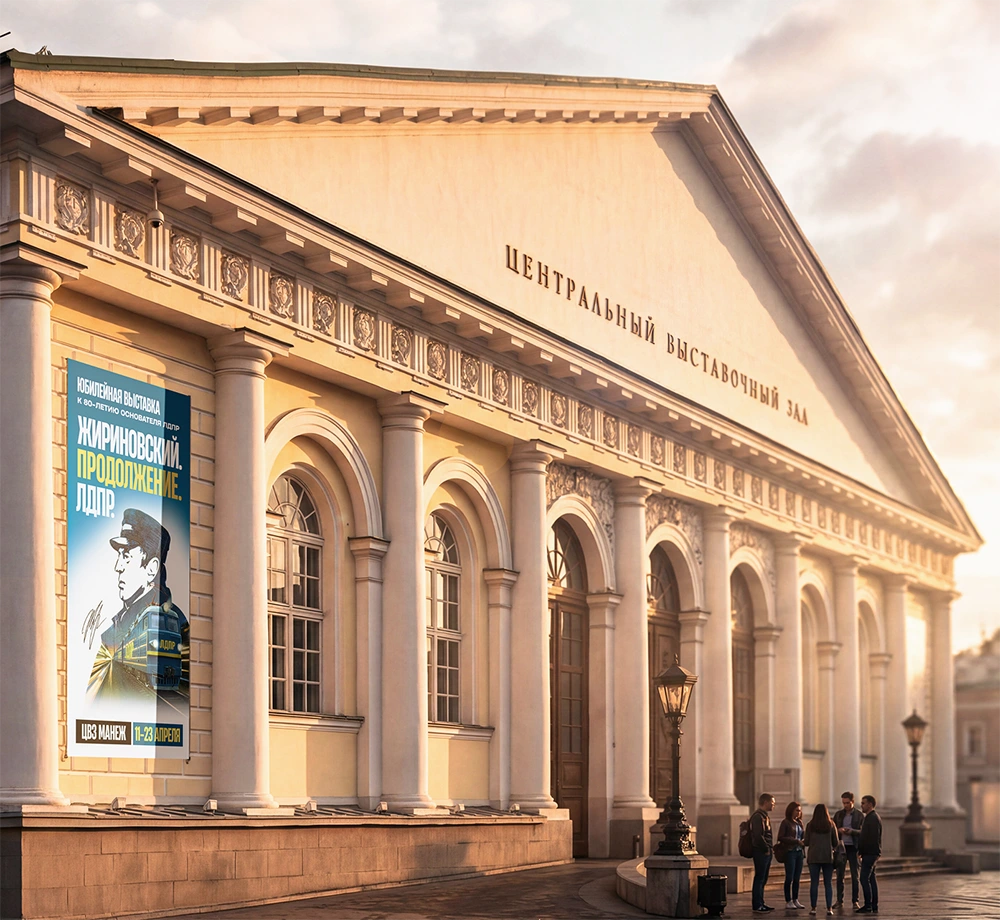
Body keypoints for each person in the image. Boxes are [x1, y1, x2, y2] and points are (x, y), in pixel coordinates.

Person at [92, 508, 188, 697]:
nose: (118, 566)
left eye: (126, 556)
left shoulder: (179, 625)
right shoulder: (114, 628)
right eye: (119, 555)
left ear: (151, 569)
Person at [804, 802, 839, 916]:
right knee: (828, 883)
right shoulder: (831, 824)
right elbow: (836, 842)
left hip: (813, 857)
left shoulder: (810, 825)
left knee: (814, 883)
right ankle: (829, 908)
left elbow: (806, 842)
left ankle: (813, 908)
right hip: (827, 857)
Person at [833, 791, 863, 909]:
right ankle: (839, 900)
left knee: (855, 875)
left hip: (854, 847)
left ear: (852, 802)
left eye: (847, 803)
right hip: (841, 847)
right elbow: (833, 829)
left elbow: (863, 832)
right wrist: (839, 830)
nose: (845, 805)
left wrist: (852, 832)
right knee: (840, 875)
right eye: (844, 803)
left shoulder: (859, 815)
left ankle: (855, 901)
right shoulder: (839, 815)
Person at [777, 800, 806, 910]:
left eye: (800, 811)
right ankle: (788, 900)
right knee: (789, 877)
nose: (799, 812)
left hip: (799, 852)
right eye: (797, 810)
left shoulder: (799, 823)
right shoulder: (786, 823)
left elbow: (802, 835)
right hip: (790, 852)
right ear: (791, 811)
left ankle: (795, 899)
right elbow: (781, 837)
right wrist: (795, 841)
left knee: (797, 878)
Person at [750, 792, 776, 912]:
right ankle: (757, 904)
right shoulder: (758, 817)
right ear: (765, 802)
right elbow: (758, 836)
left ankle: (761, 902)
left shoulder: (764, 816)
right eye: (772, 803)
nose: (773, 805)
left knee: (763, 878)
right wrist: (766, 849)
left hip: (766, 851)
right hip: (761, 851)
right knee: (760, 878)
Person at [856, 795, 882, 914]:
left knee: (864, 878)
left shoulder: (872, 818)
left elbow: (870, 838)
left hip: (870, 853)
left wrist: (861, 851)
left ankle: (868, 905)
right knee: (871, 879)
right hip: (872, 852)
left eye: (863, 803)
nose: (861, 805)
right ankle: (874, 905)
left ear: (870, 804)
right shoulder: (872, 817)